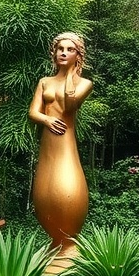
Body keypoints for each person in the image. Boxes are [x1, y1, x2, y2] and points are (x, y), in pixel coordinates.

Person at [29, 32, 93, 257]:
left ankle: (69, 245)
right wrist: (46, 119)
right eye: (60, 49)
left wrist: (70, 74)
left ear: (78, 55)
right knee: (45, 188)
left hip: (66, 143)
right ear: (54, 52)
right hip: (48, 144)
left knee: (66, 184)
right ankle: (55, 242)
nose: (63, 53)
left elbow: (69, 106)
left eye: (70, 49)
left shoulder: (84, 83)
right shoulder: (44, 82)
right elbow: (33, 112)